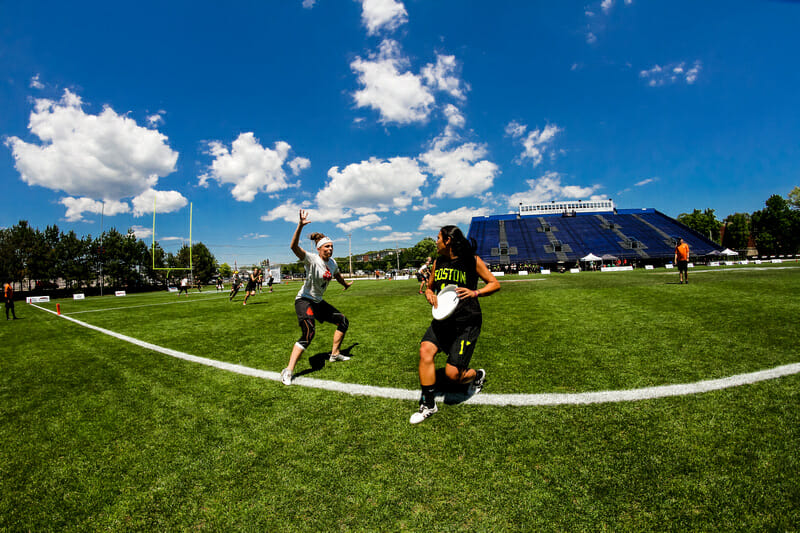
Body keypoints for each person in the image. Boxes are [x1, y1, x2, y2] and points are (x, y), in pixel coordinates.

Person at [411, 225, 501, 424]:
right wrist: (429, 294)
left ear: (448, 240)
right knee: (425, 350)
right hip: (442, 319)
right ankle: (428, 404)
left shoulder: (472, 260)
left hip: (467, 321)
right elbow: (430, 286)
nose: (436, 242)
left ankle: (477, 375)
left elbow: (494, 283)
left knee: (453, 375)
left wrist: (475, 293)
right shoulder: (438, 262)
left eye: (438, 238)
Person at [281, 210, 353, 385]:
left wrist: (345, 285)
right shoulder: (311, 259)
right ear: (319, 248)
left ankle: (334, 355)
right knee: (309, 332)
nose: (330, 249)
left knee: (343, 321)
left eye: (331, 246)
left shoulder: (333, 263)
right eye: (327, 246)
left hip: (318, 302)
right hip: (304, 300)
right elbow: (293, 247)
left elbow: (337, 275)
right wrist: (299, 226)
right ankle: (288, 371)